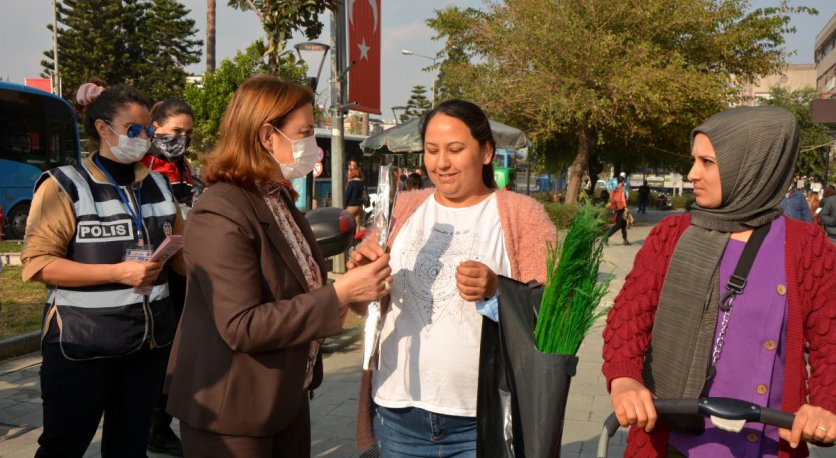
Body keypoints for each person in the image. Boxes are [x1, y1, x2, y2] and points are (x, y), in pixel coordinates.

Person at [164, 75, 392, 457]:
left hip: (283, 398)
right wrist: (339, 292)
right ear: (268, 136)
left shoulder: (275, 198)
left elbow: (294, 288)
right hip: (232, 410)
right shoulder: (222, 208)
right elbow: (241, 325)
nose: (313, 147)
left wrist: (353, 283)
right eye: (304, 133)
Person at [602, 106, 835, 457]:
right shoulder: (672, 235)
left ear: (753, 166)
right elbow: (628, 319)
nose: (691, 173)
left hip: (767, 444)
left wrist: (825, 405)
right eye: (694, 160)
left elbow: (830, 343)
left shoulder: (807, 247)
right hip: (670, 443)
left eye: (707, 162)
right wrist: (625, 380)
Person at [349, 99, 557, 456]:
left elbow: (556, 313)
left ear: (487, 151)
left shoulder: (524, 217)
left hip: (483, 419)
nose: (441, 162)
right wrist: (360, 278)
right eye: (432, 151)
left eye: (455, 149)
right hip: (399, 414)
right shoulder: (402, 210)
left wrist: (497, 292)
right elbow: (362, 305)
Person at [21, 82, 186, 457]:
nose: (143, 138)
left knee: (129, 447)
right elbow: (38, 264)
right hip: (81, 345)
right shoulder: (64, 185)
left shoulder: (158, 184)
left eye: (147, 131)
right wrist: (118, 273)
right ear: (102, 128)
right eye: (133, 130)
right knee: (64, 446)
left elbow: (183, 253)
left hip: (148, 345)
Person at [139, 98, 195, 456]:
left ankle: (159, 423)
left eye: (188, 133)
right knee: (157, 347)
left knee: (176, 345)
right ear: (154, 127)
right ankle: (151, 425)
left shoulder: (184, 166)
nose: (181, 139)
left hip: (181, 266)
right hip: (148, 269)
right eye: (175, 132)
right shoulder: (141, 163)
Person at [605, 176, 630, 246]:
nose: (624, 182)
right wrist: (625, 207)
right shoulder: (622, 189)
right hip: (621, 208)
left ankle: (625, 240)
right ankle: (606, 236)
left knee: (624, 225)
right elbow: (622, 199)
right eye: (623, 181)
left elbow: (612, 199)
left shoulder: (614, 189)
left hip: (616, 208)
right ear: (622, 182)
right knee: (618, 225)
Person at [345, 167, 366, 233]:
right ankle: (357, 238)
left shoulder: (351, 183)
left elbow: (347, 195)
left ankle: (347, 238)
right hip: (360, 206)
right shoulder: (362, 182)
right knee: (357, 223)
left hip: (352, 205)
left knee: (344, 220)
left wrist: (345, 204)